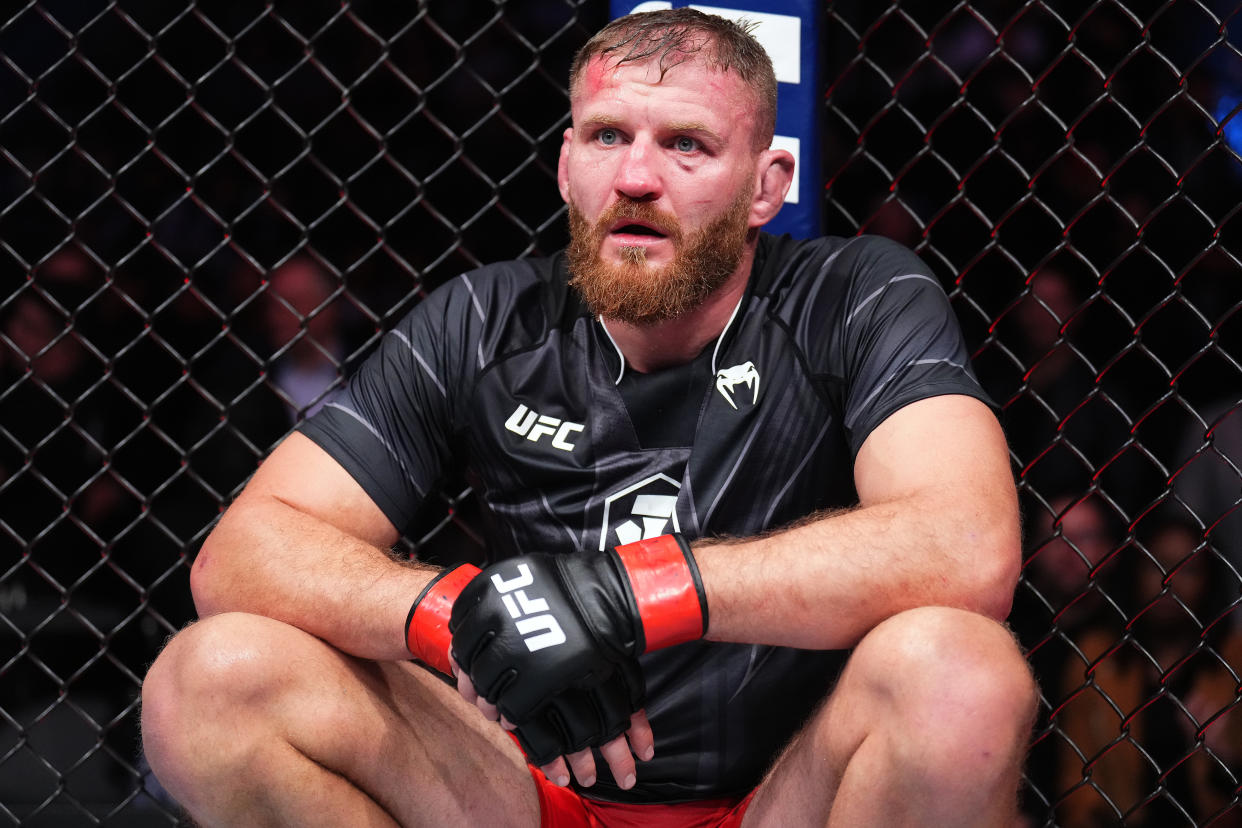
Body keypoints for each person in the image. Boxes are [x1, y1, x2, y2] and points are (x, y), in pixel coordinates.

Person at [140, 9, 1037, 826]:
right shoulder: (484, 321)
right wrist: (471, 614)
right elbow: (243, 554)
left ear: (767, 186)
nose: (637, 177)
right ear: (569, 169)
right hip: (524, 797)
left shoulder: (854, 297)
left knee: (960, 673)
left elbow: (967, 545)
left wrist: (631, 595)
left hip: (782, 800)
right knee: (211, 678)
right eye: (609, 136)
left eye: (687, 144)